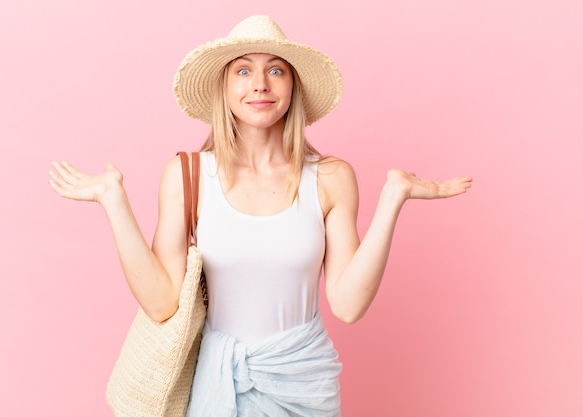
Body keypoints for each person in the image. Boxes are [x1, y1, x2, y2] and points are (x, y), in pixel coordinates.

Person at [49, 15, 472, 417]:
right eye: (243, 70)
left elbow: (347, 304)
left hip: (304, 384)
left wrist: (393, 198)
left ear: (292, 86)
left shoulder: (329, 177)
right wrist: (113, 201)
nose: (260, 85)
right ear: (225, 86)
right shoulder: (189, 175)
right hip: (220, 389)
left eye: (275, 71)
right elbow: (162, 303)